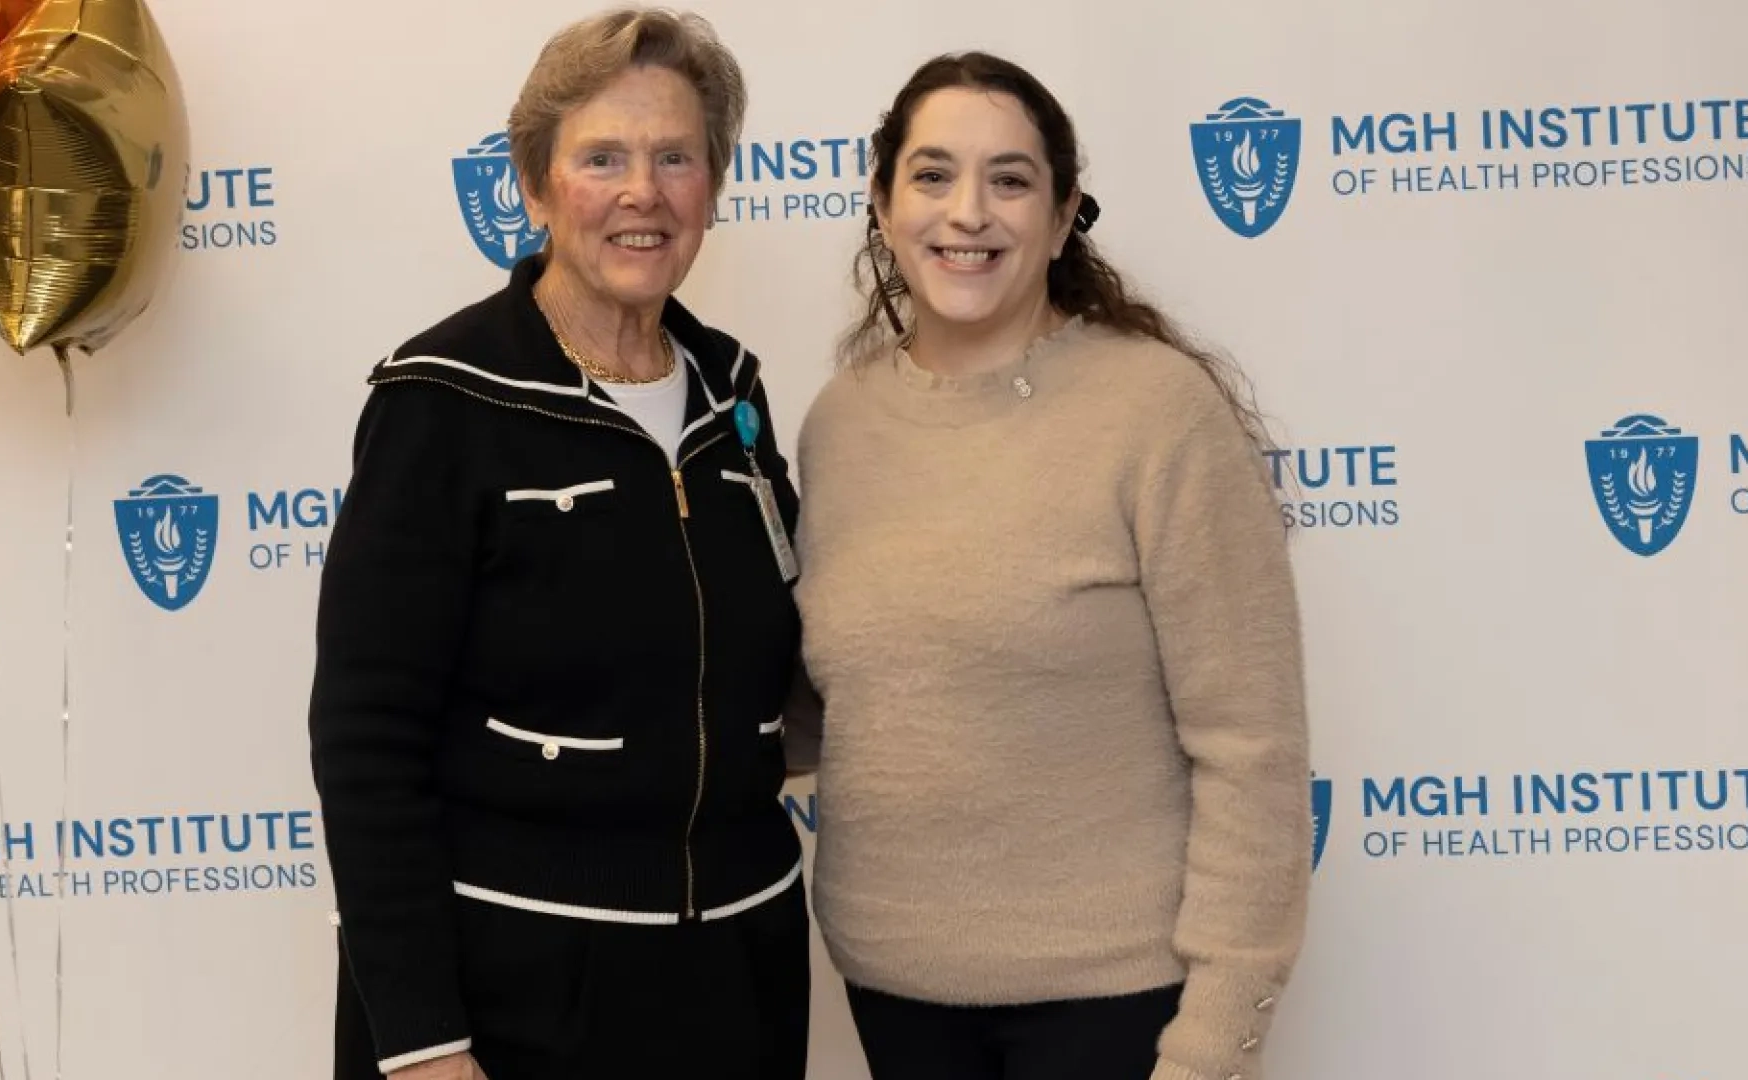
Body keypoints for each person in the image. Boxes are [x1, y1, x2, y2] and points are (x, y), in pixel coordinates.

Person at [307, 9, 810, 1080]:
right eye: (602, 159)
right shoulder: (440, 403)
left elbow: (791, 665)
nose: (644, 192)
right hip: (517, 985)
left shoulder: (738, 395)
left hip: (739, 974)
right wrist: (422, 1041)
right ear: (534, 189)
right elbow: (365, 742)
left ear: (713, 185)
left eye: (676, 156)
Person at [792, 51, 1312, 1080]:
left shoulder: (1157, 413)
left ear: (1066, 211)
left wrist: (1214, 1046)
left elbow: (1251, 748)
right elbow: (842, 697)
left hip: (1117, 1008)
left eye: (1011, 179)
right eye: (933, 175)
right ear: (884, 203)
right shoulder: (839, 422)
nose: (968, 212)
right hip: (894, 991)